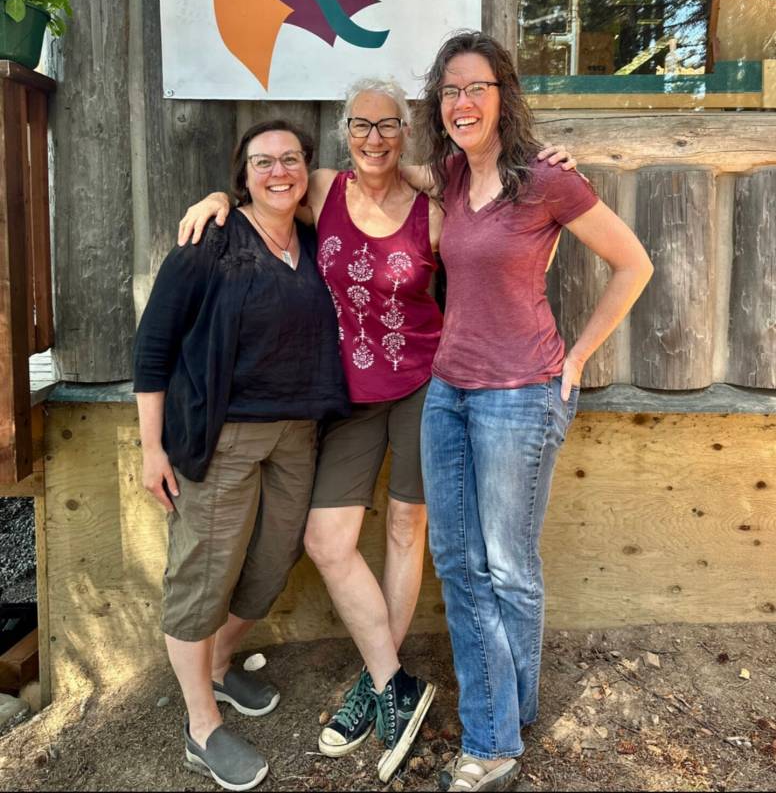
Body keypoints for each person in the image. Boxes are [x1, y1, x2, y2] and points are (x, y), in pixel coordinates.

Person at [177, 80, 576, 783]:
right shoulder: (321, 186)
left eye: (388, 125)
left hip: (426, 387)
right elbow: (263, 194)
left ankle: (379, 684)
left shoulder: (434, 206)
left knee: (403, 527)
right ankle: (395, 681)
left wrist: (554, 173)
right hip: (347, 398)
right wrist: (216, 199)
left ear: (406, 131)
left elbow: (513, 238)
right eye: (361, 125)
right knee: (325, 540)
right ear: (345, 131)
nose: (374, 138)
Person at [410, 31, 654, 793]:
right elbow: (377, 165)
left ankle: (493, 742)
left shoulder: (545, 179)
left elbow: (633, 263)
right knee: (458, 564)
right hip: (447, 395)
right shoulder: (453, 174)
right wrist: (231, 194)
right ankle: (508, 717)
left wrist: (576, 360)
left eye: (476, 88)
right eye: (450, 90)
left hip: (521, 395)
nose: (462, 102)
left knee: (509, 567)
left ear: (503, 96)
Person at [134, 120, 349, 792]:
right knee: (204, 572)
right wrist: (151, 446)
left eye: (290, 159)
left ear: (306, 168)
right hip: (223, 435)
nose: (278, 171)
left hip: (298, 433)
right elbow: (153, 345)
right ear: (243, 175)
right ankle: (201, 728)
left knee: (273, 559)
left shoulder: (315, 240)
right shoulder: (212, 239)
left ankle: (220, 665)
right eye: (263, 162)